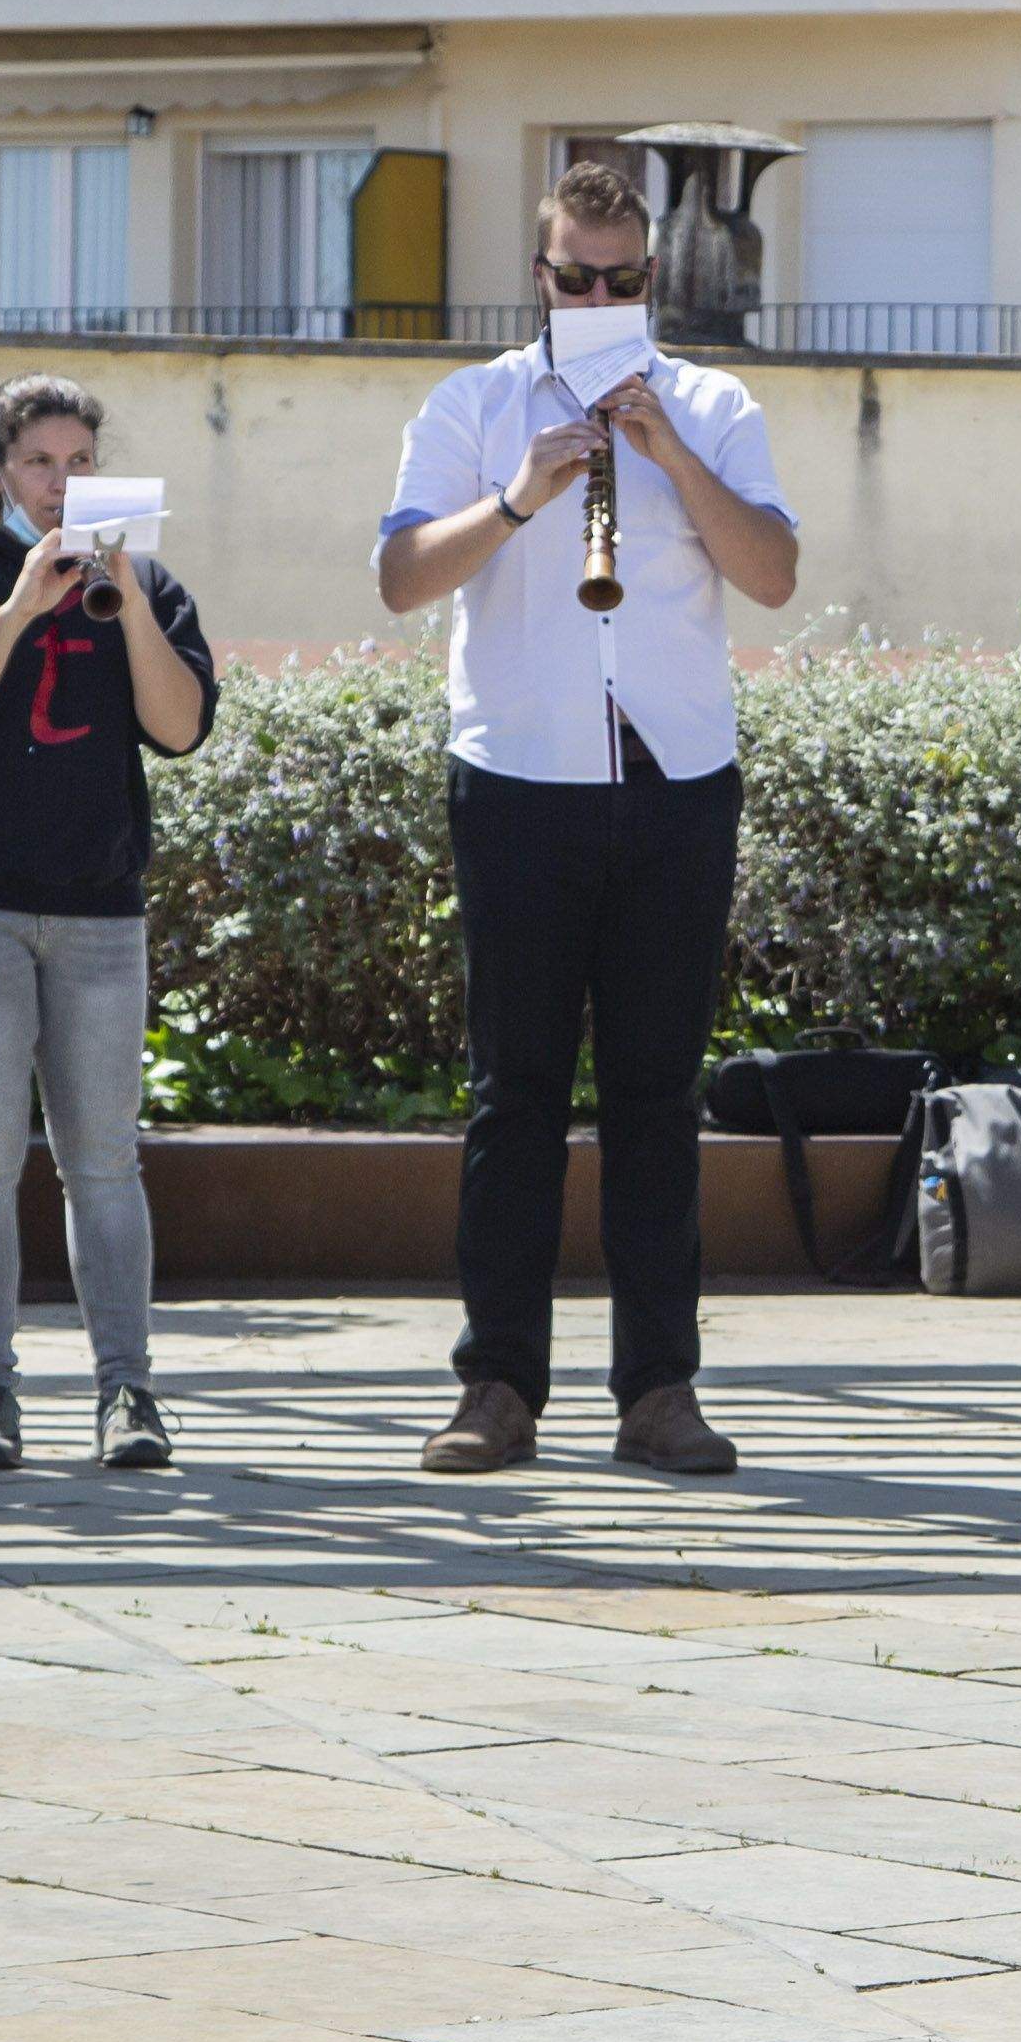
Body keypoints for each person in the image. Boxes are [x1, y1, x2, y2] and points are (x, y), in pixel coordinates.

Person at [377, 148, 799, 1479]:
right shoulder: (472, 403)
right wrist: (519, 496)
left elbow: (773, 574)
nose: (598, 297)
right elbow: (400, 576)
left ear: (650, 277)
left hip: (675, 778)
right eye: (576, 278)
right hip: (518, 777)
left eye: (620, 281)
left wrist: (667, 451)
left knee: (656, 1098)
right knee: (513, 1095)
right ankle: (496, 1385)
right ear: (540, 272)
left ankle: (658, 1391)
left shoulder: (712, 402)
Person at [0, 373, 213, 1477]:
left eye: (80, 462)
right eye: (38, 462)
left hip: (96, 904)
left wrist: (126, 592)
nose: (61, 483)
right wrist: (22, 603)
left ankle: (128, 1390)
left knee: (105, 1160)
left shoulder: (146, 580)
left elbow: (179, 728)